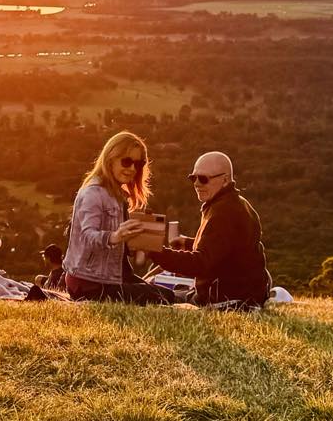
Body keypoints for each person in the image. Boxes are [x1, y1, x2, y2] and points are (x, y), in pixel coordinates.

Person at [128, 151, 272, 308]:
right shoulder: (237, 204)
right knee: (160, 289)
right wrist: (190, 243)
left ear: (224, 180)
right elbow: (226, 250)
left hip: (225, 298)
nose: (196, 183)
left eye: (203, 179)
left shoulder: (224, 213)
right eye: (193, 178)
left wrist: (155, 252)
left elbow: (200, 264)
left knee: (148, 294)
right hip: (245, 293)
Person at [63, 131, 170, 304]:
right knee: (164, 298)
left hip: (109, 278)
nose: (132, 169)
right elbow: (87, 236)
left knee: (165, 294)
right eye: (126, 162)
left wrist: (140, 240)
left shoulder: (116, 195)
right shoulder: (94, 193)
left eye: (138, 164)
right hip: (91, 285)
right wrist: (114, 237)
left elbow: (119, 248)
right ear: (110, 159)